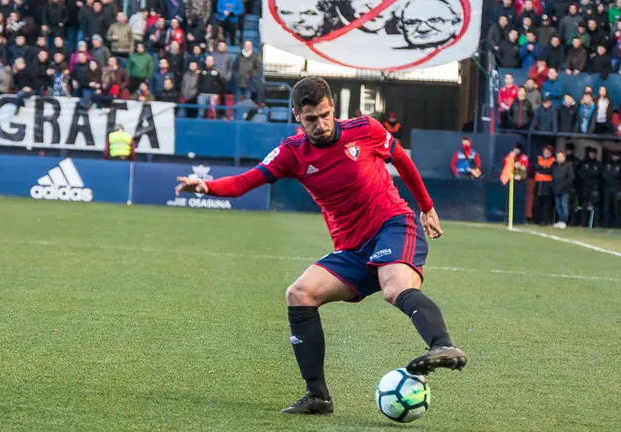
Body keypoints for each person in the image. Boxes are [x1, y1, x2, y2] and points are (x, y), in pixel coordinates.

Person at [175, 77, 467, 414]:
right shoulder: (292, 153)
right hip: (352, 248)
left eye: (326, 115)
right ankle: (318, 396)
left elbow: (401, 159)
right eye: (312, 119)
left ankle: (443, 346)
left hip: (393, 225)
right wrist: (207, 187)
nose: (321, 124)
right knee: (299, 294)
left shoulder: (365, 129)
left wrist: (426, 206)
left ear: (333, 108)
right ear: (298, 116)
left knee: (394, 288)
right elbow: (245, 181)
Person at [577, 147, 602, 227]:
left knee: (596, 206)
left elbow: (598, 174)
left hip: (595, 187)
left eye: (594, 153)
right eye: (591, 153)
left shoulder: (598, 164)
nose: (592, 155)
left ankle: (596, 223)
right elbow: (580, 174)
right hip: (585, 187)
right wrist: (590, 174)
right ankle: (583, 223)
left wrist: (589, 173)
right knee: (584, 205)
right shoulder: (584, 163)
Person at [601, 152, 621, 228]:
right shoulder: (608, 164)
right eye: (614, 156)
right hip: (607, 188)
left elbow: (620, 175)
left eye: (616, 156)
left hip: (617, 188)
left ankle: (618, 224)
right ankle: (605, 223)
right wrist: (613, 174)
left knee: (616, 207)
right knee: (606, 207)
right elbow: (604, 175)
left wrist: (612, 174)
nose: (615, 157)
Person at [534, 145, 556, 225]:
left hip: (547, 184)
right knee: (537, 203)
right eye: (545, 151)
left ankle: (546, 221)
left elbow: (550, 171)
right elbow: (535, 167)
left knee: (546, 204)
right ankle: (537, 220)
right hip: (538, 184)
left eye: (548, 152)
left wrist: (541, 170)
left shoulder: (553, 161)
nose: (546, 153)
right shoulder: (539, 159)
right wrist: (543, 169)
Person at [552, 150, 575, 228]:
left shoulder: (569, 165)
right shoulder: (555, 166)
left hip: (565, 189)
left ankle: (564, 221)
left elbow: (571, 178)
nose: (559, 158)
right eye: (558, 157)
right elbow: (553, 177)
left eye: (561, 157)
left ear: (564, 157)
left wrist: (563, 186)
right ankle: (561, 220)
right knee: (558, 206)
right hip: (556, 189)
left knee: (564, 205)